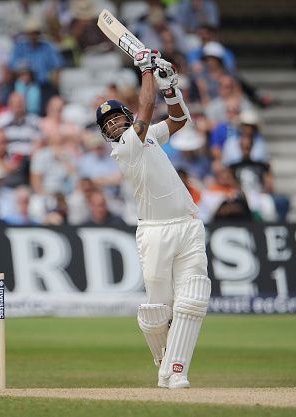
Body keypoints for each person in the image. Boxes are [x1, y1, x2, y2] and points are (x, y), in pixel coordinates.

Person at [95, 49, 210, 389]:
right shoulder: (126, 148)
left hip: (188, 224)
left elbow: (178, 121)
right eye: (107, 123)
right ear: (107, 134)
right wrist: (146, 69)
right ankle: (163, 362)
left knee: (193, 299)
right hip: (155, 233)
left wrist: (171, 87)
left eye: (117, 117)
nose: (114, 123)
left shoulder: (149, 139)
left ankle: (175, 373)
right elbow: (145, 108)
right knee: (157, 311)